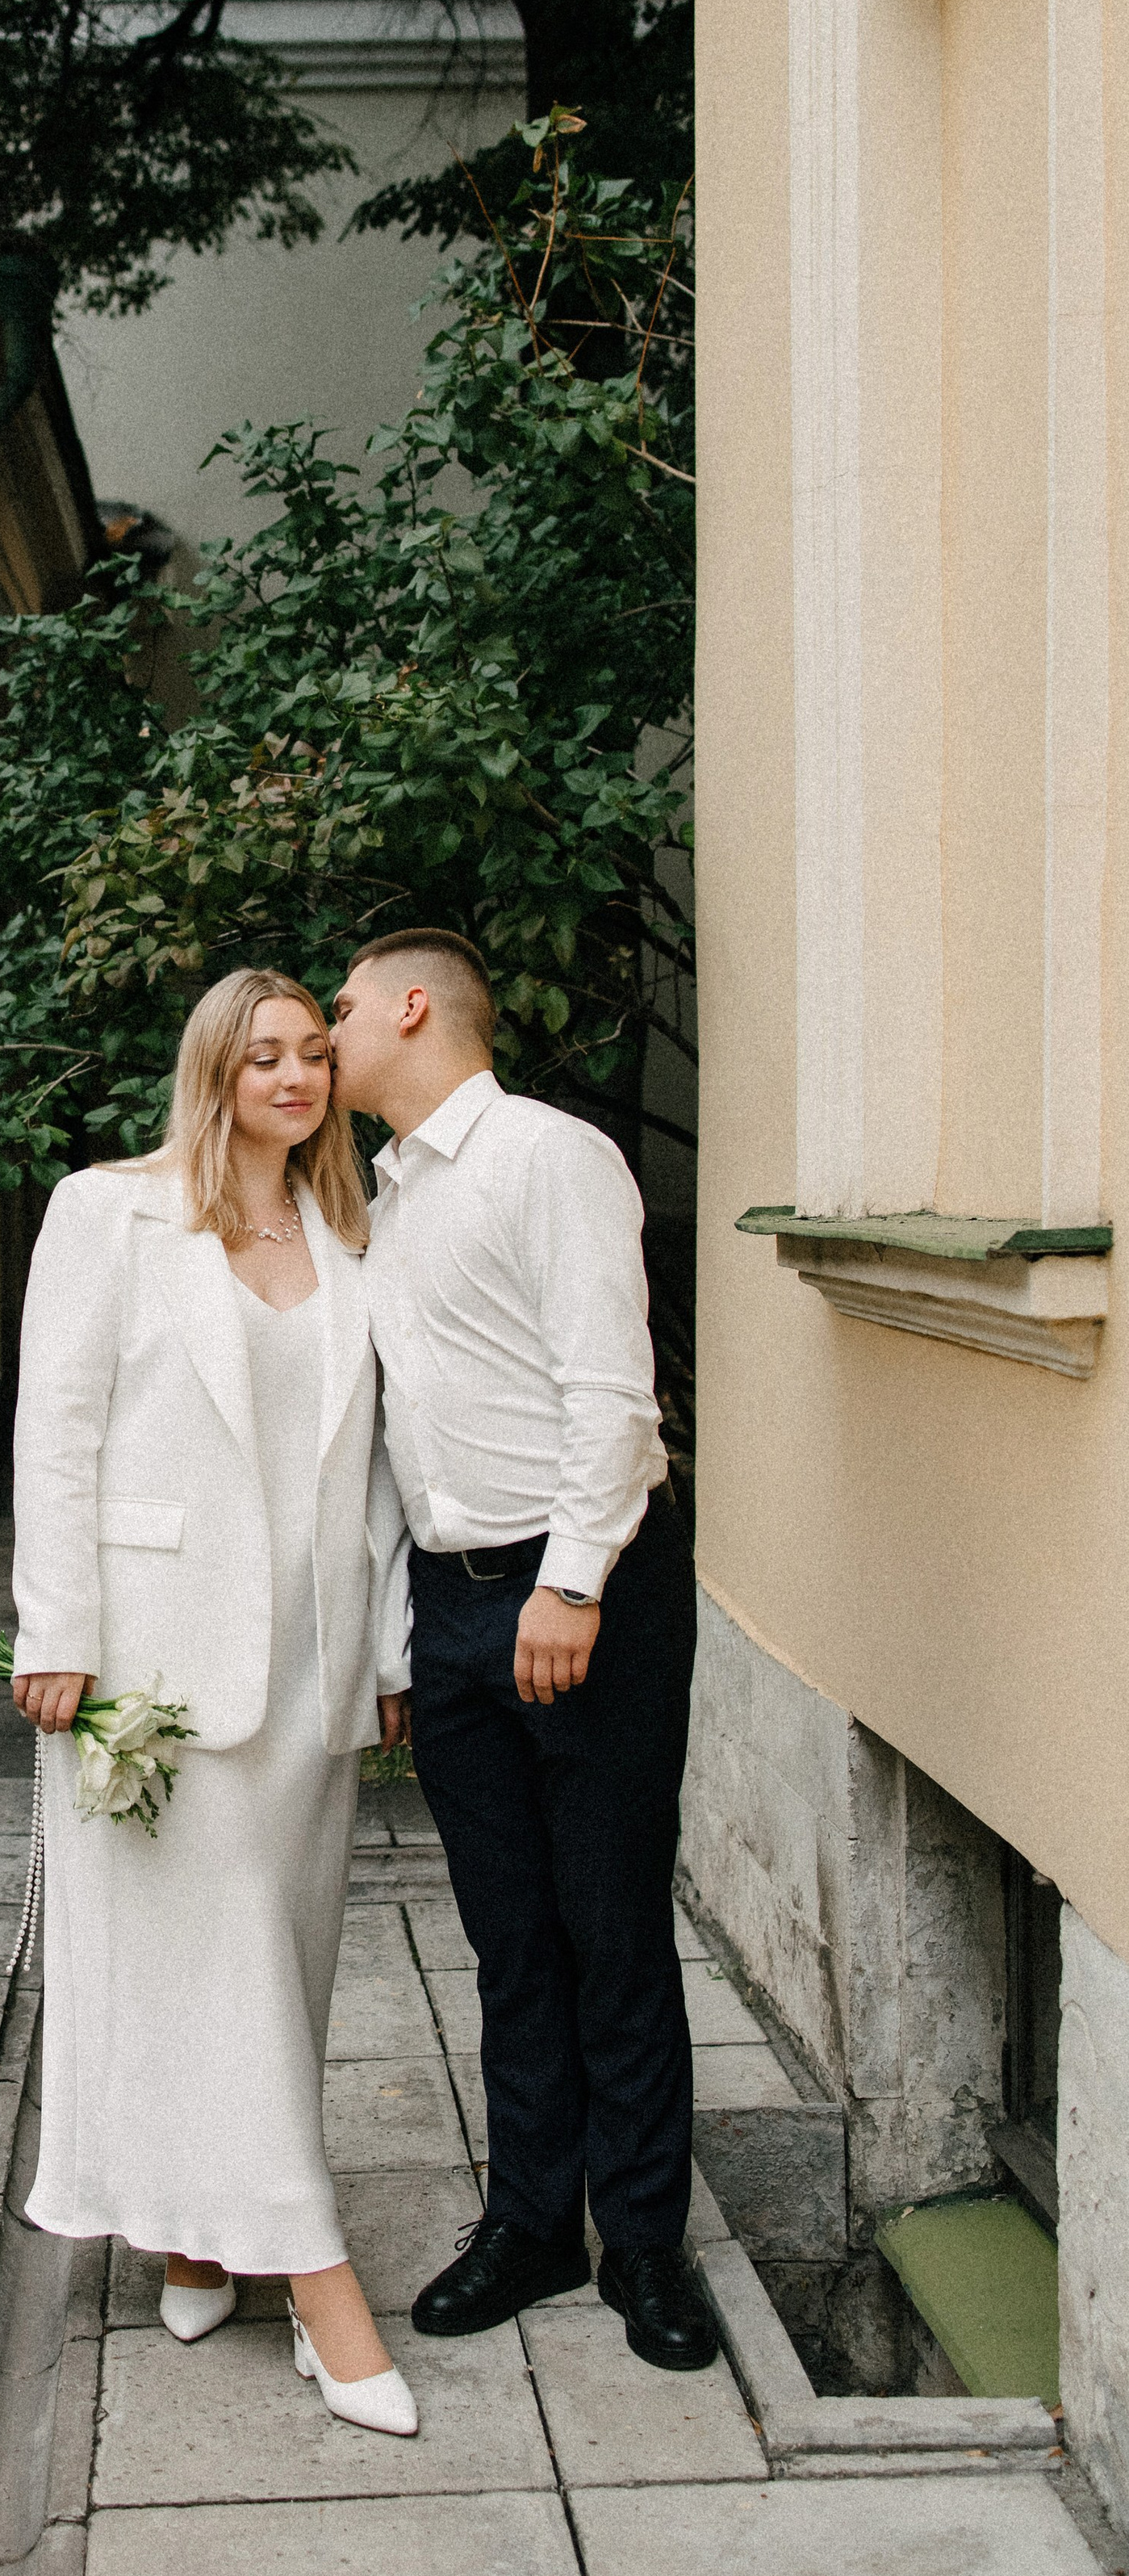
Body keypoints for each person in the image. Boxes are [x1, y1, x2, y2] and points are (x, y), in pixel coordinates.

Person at [10, 967, 419, 2436]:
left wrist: (386, 1661)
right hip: (152, 1664)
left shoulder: (350, 1233)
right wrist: (53, 1628)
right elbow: (53, 1426)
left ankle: (199, 2234)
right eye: (266, 1058)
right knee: (220, 1954)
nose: (299, 1077)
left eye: (317, 1053)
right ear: (215, 1072)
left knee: (275, 1965)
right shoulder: (108, 1212)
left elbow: (371, 1470)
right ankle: (319, 2280)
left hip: (311, 1667)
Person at [329, 928, 717, 2373]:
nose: (330, 1025)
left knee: (611, 1924)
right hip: (452, 1607)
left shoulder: (546, 1158)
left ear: (415, 1006)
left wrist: (567, 1589)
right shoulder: (385, 1195)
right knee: (508, 1938)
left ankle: (650, 2247)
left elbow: (613, 1393)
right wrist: (407, 1644)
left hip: (587, 1588)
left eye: (348, 1004)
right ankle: (534, 2225)